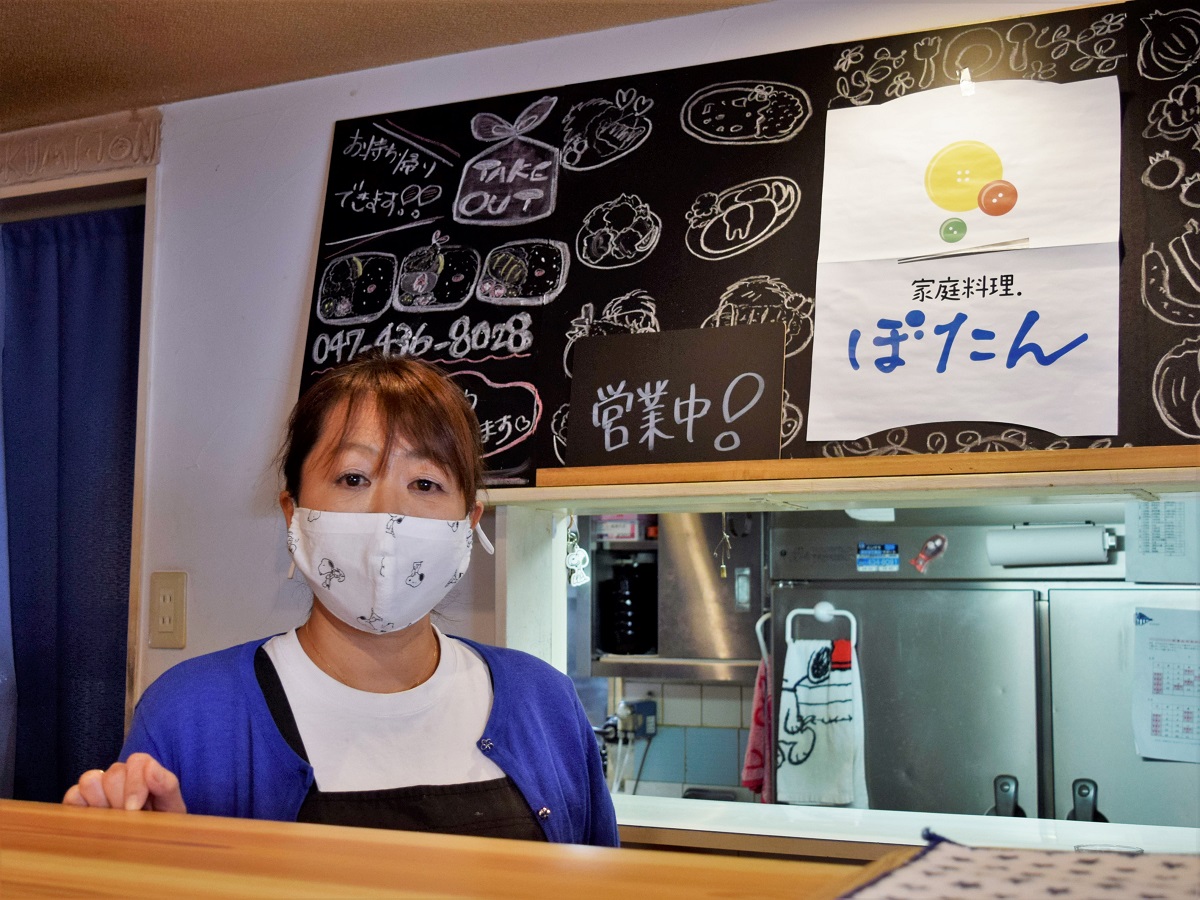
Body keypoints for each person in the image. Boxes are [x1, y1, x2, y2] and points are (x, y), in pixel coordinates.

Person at [63, 353, 619, 846]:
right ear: (294, 513)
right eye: (353, 478)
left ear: (468, 522)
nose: (388, 514)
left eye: (425, 484)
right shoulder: (192, 715)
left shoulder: (545, 703)